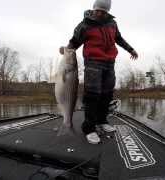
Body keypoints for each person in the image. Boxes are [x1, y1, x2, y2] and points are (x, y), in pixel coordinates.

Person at [59, 0, 138, 144]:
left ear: (108, 11)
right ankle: (89, 129)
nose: (100, 13)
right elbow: (74, 41)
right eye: (97, 10)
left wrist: (130, 49)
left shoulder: (112, 24)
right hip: (93, 62)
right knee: (92, 95)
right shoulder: (85, 24)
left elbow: (118, 39)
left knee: (107, 94)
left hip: (110, 63)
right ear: (93, 8)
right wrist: (66, 49)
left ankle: (102, 121)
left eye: (103, 11)